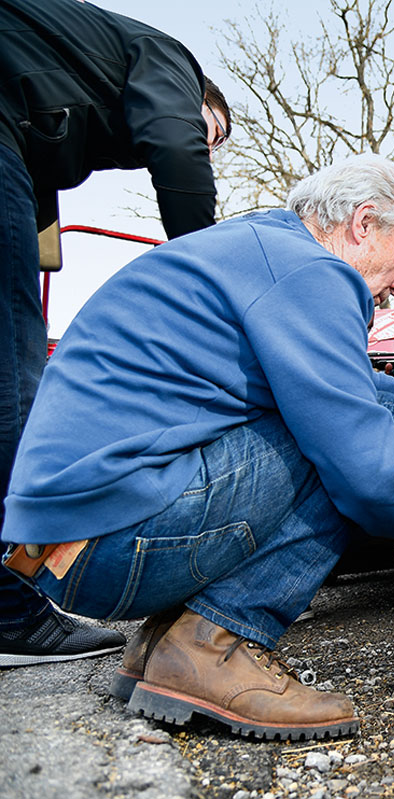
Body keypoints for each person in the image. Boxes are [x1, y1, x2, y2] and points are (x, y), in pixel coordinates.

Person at [1, 153, 394, 741]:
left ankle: (161, 646)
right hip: (115, 540)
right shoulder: (312, 272)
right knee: (367, 434)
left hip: (69, 547)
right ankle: (218, 643)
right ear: (363, 224)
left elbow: (343, 379)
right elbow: (362, 455)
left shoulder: (262, 251)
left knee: (360, 414)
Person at [0, 0, 232, 668]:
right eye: (212, 132)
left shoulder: (65, 78)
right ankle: (9, 607)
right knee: (17, 368)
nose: (206, 146)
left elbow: (35, 182)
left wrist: (39, 248)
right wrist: (210, 281)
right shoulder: (170, 61)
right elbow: (174, 142)